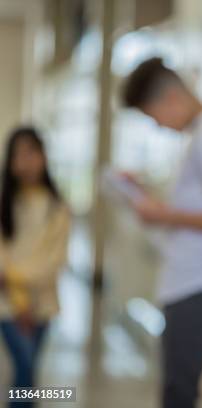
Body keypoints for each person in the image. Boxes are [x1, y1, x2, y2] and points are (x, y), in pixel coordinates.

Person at [121, 58, 202, 408]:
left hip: (200, 289)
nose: (157, 126)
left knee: (181, 391)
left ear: (170, 97)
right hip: (189, 286)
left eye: (153, 116)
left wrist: (164, 214)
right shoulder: (199, 135)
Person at [0, 126, 71, 408]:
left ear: (43, 156)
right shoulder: (5, 203)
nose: (25, 161)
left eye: (31, 152)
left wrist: (17, 280)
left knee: (27, 375)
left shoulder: (58, 207)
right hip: (6, 304)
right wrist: (18, 299)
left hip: (42, 304)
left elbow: (53, 260)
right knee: (24, 368)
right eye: (18, 155)